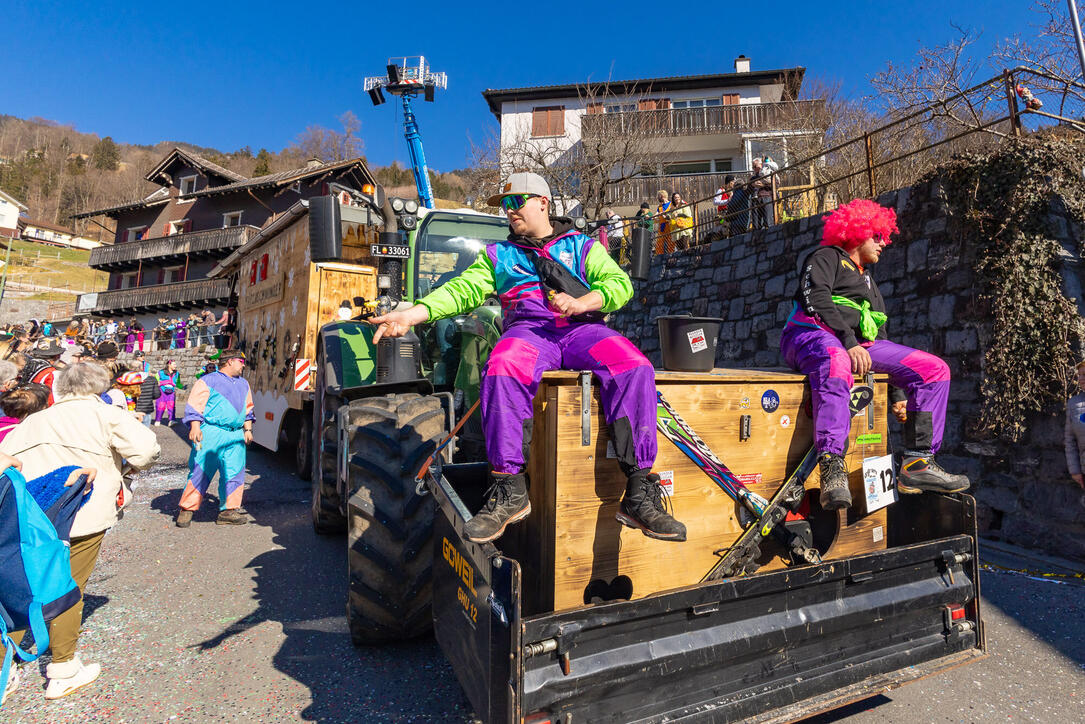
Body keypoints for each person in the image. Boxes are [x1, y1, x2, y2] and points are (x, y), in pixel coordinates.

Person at [370, 172, 685, 544]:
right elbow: (460, 290)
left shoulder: (583, 247)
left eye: (515, 202)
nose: (509, 211)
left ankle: (639, 492)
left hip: (582, 330)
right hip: (530, 332)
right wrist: (412, 315)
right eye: (505, 205)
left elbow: (619, 285)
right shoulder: (498, 256)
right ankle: (510, 489)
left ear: (543, 203)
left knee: (634, 365)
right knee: (502, 366)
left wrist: (583, 302)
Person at [779, 198, 970, 509]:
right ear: (857, 233)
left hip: (856, 344)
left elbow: (878, 334)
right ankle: (832, 465)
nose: (884, 243)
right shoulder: (826, 256)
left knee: (934, 370)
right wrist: (848, 341)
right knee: (837, 359)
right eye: (878, 236)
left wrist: (897, 394)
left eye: (885, 237)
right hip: (810, 334)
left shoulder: (868, 280)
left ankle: (918, 463)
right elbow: (815, 297)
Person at [0, 362, 159, 700]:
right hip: (81, 509)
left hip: (30, 513)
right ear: (100, 387)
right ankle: (63, 669)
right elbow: (147, 451)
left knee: (20, 583)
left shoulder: (35, 419)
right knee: (68, 585)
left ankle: (4, 666)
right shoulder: (106, 414)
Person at [176, 350, 254, 527]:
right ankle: (187, 509)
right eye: (241, 361)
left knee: (235, 472)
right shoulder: (207, 380)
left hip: (236, 434)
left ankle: (228, 511)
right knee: (201, 470)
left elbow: (248, 408)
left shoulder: (244, 384)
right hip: (212, 432)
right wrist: (195, 426)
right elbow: (195, 405)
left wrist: (248, 429)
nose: (243, 365)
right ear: (230, 361)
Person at [1063, 361, 1085, 498]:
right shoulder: (1074, 404)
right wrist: (1075, 470)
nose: (1081, 379)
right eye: (1079, 375)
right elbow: (1069, 440)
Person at [749, 156, 779, 229]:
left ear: (761, 165)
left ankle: (770, 232)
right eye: (753, 167)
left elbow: (776, 184)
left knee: (768, 221)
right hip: (755, 200)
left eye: (755, 166)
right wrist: (752, 184)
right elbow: (749, 188)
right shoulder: (753, 177)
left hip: (767, 198)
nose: (754, 169)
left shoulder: (769, 173)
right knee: (756, 224)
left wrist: (764, 184)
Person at [155, 359, 184, 425]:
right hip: (162, 391)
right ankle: (158, 420)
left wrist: (182, 387)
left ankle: (172, 420)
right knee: (160, 405)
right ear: (169, 364)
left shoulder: (177, 373)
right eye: (174, 364)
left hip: (171, 391)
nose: (175, 366)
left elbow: (178, 383)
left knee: (171, 405)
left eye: (175, 364)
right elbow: (156, 380)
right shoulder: (160, 372)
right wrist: (158, 384)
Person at [655, 190, 672, 254]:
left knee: (670, 242)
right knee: (660, 243)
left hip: (669, 225)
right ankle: (660, 255)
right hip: (662, 227)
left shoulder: (671, 204)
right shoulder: (660, 206)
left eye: (658, 196)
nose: (658, 198)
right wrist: (651, 217)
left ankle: (671, 255)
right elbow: (656, 214)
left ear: (662, 196)